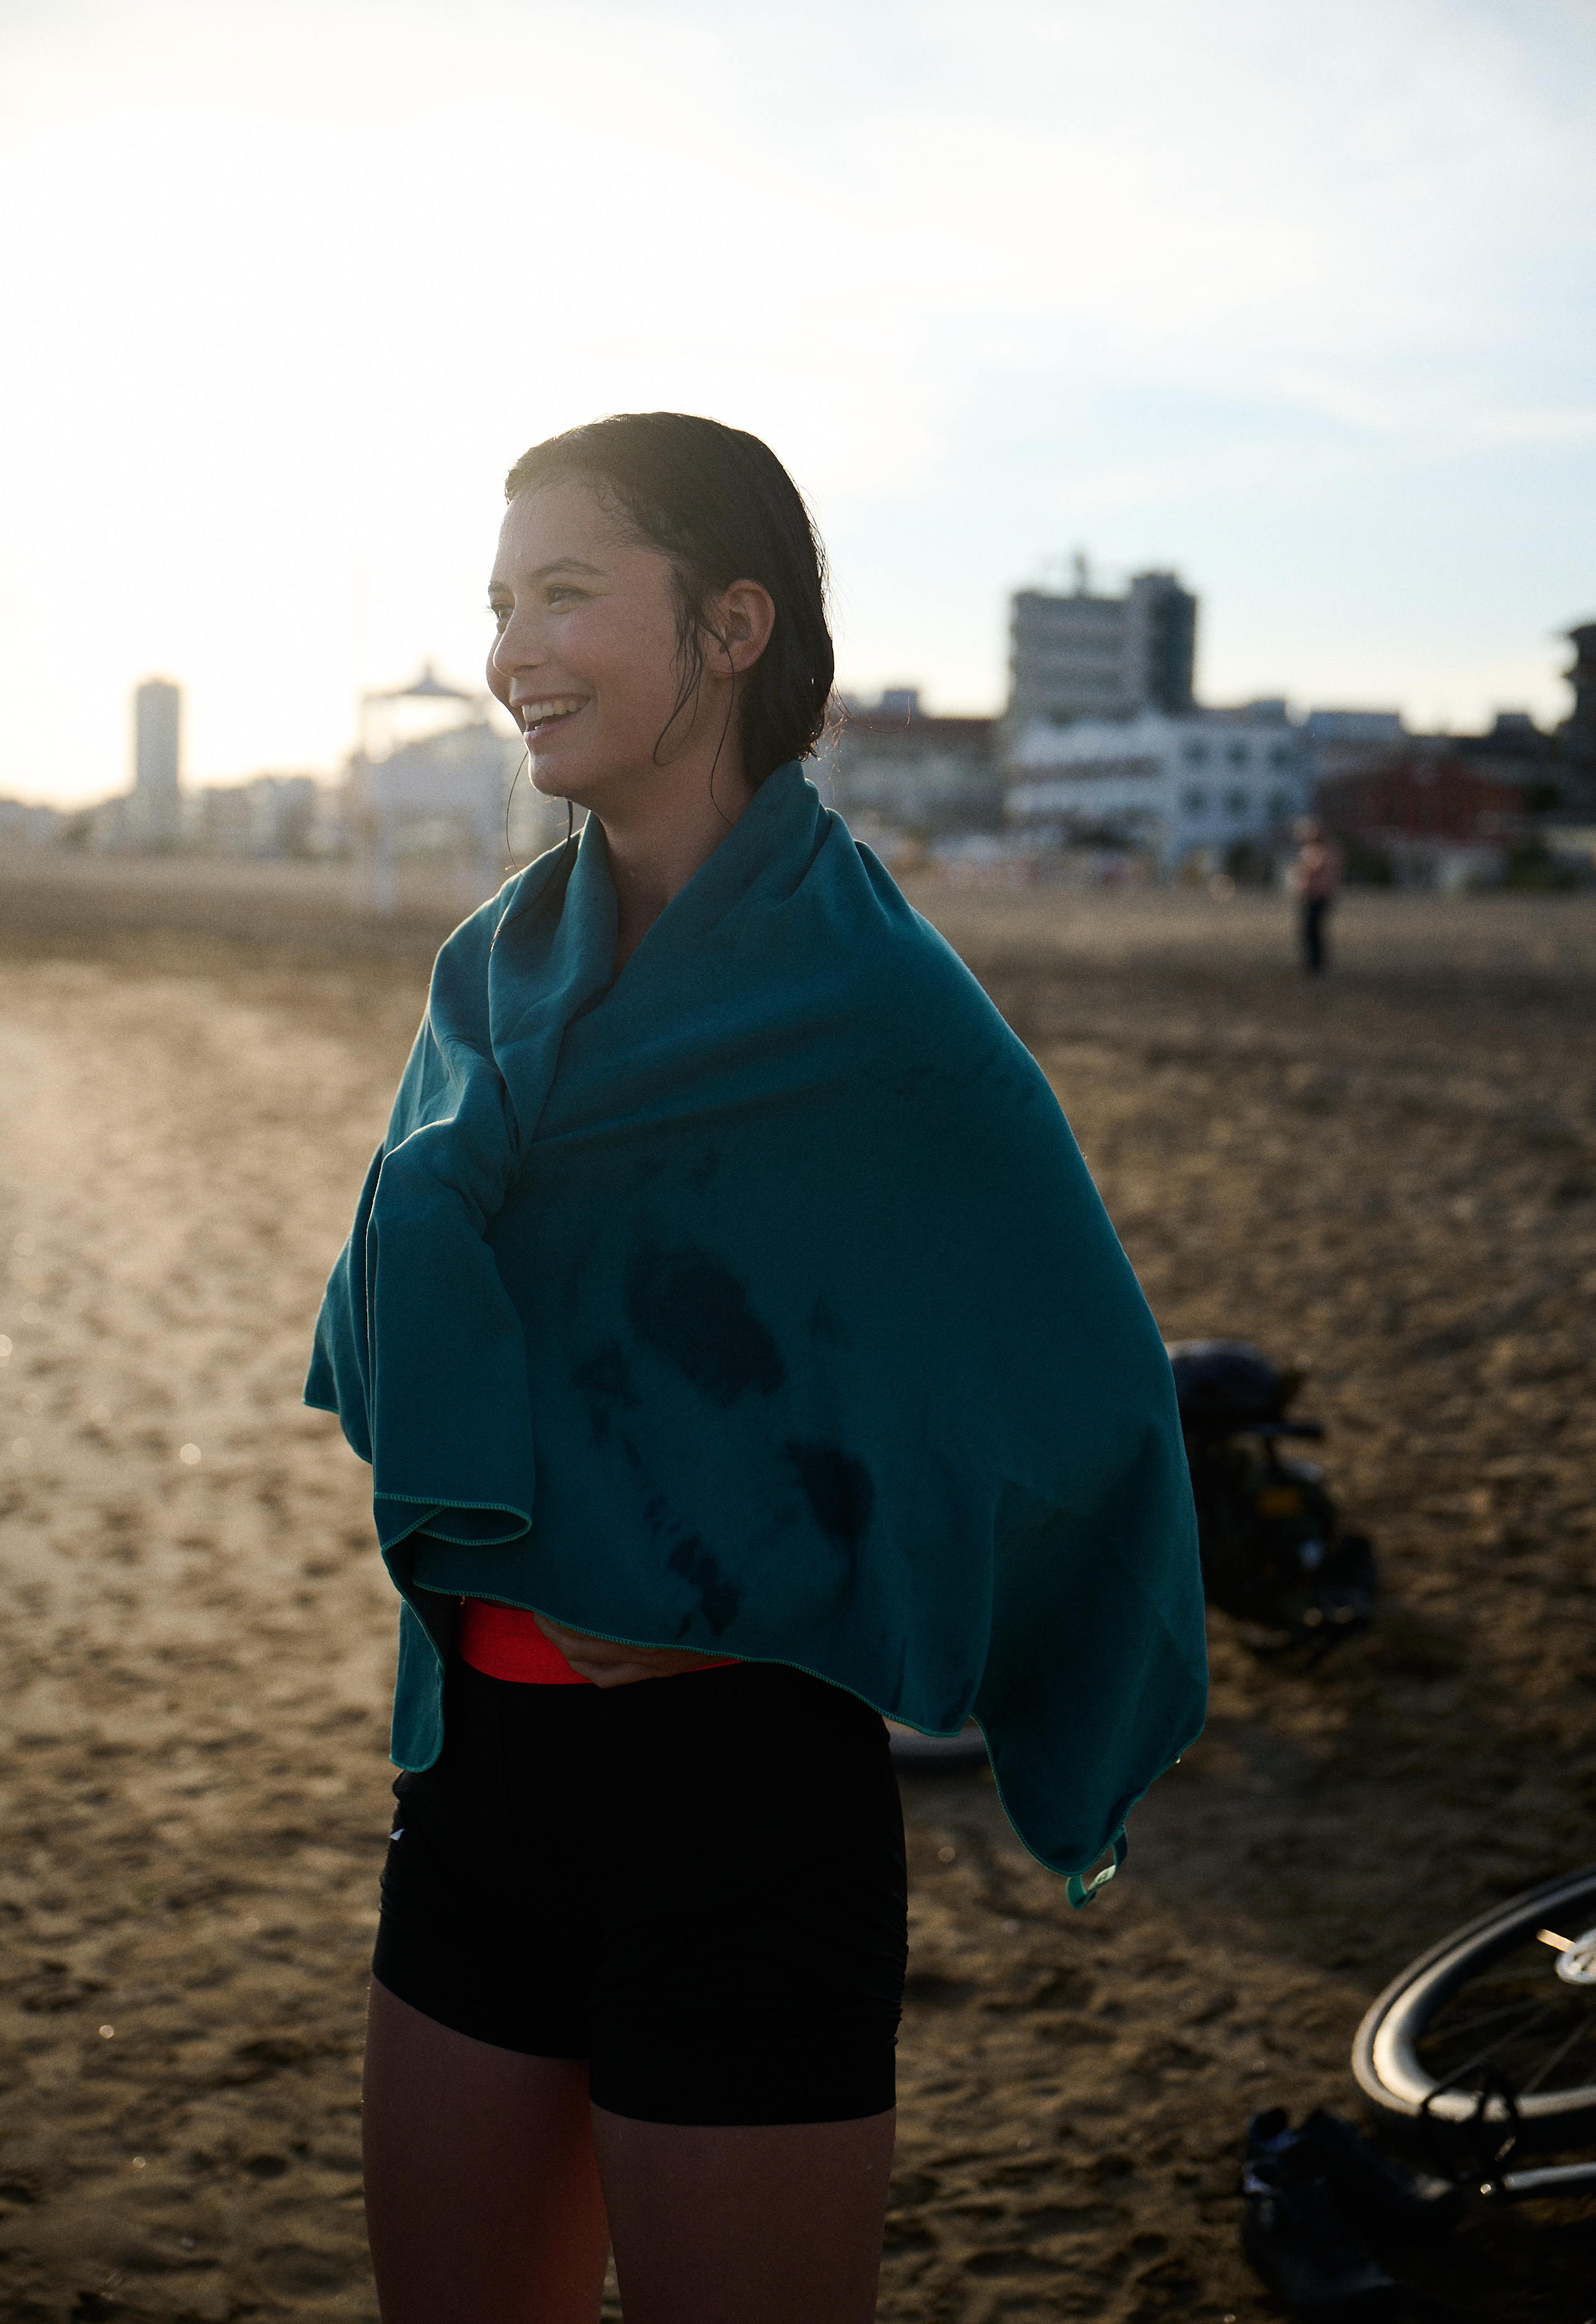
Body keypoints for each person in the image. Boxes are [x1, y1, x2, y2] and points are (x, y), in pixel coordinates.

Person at [306, 413, 1207, 2324]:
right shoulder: (488, 975)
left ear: (731, 626)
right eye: (499, 602)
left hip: (744, 1820)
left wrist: (786, 1590)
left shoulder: (880, 1010)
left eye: (565, 594)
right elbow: (385, 1359)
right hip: (474, 1786)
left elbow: (1081, 1411)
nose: (513, 650)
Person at [1288, 816, 1342, 974]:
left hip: (1320, 897)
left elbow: (1311, 868)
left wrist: (1303, 868)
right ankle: (1311, 963)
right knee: (1307, 931)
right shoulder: (1310, 850)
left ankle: (1317, 964)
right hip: (1307, 897)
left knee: (1314, 930)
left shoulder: (1327, 850)